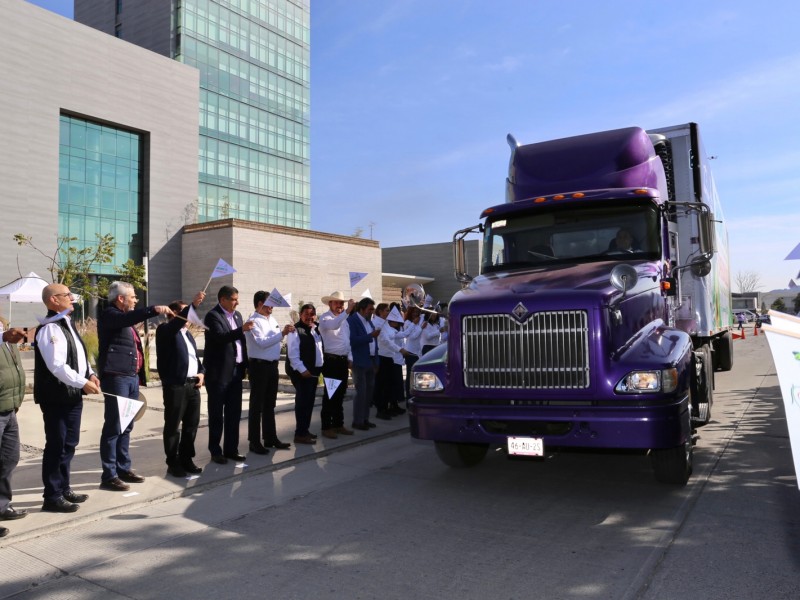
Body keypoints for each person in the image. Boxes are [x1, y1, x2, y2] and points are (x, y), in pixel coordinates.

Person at [97, 281, 172, 492]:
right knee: (114, 426)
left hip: (130, 378)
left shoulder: (124, 318)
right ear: (120, 298)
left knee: (127, 424)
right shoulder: (110, 315)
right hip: (116, 378)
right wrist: (153, 309)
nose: (136, 300)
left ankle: (123, 468)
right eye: (133, 297)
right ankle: (109, 474)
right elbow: (128, 318)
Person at [34, 283, 101, 513]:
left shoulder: (67, 324)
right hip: (56, 397)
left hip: (71, 395)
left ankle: (64, 488)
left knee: (69, 444)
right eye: (67, 295)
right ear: (54, 300)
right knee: (56, 445)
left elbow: (79, 355)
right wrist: (83, 383)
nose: (72, 298)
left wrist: (91, 373)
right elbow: (56, 366)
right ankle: (51, 496)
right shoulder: (50, 329)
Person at [155, 292, 206, 478]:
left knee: (191, 425)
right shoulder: (165, 330)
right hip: (176, 386)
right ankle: (173, 461)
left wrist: (201, 373)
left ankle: (187, 458)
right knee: (173, 425)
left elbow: (195, 360)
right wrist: (193, 305)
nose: (189, 315)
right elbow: (176, 324)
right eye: (185, 311)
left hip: (193, 386)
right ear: (173, 313)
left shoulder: (188, 335)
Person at [204, 285, 255, 464]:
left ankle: (231, 449)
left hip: (236, 371)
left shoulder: (238, 316)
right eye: (234, 299)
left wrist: (245, 365)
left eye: (237, 299)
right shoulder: (212, 316)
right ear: (223, 299)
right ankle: (215, 450)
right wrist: (242, 330)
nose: (237, 302)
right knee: (217, 414)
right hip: (219, 374)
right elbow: (220, 336)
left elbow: (241, 343)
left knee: (234, 413)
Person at [245, 290, 295, 454]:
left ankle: (270, 437)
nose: (272, 306)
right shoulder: (253, 321)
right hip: (259, 366)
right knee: (256, 405)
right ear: (260, 303)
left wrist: (285, 334)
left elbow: (275, 341)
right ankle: (254, 441)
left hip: (272, 366)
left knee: (269, 404)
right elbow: (262, 343)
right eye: (269, 303)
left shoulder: (272, 319)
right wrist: (282, 334)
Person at [0, 323, 27, 535]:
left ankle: (2, 506)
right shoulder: (5, 334)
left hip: (9, 408)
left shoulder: (6, 329)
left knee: (9, 458)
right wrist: (4, 336)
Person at [317, 291, 354, 439]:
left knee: (340, 394)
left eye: (341, 303)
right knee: (331, 394)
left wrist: (350, 358)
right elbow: (333, 324)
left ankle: (338, 424)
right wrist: (348, 311)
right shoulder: (325, 318)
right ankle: (326, 426)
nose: (340, 305)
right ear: (330, 304)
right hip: (331, 362)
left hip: (342, 361)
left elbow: (347, 341)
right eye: (336, 302)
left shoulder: (344, 320)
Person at [285, 303, 323, 444]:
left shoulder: (316, 329)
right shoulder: (296, 330)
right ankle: (299, 433)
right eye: (306, 314)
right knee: (302, 403)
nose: (309, 317)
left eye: (312, 314)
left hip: (313, 372)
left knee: (309, 402)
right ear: (301, 315)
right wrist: (303, 370)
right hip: (302, 374)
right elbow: (293, 355)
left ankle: (305, 430)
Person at [349, 297, 379, 430]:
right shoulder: (352, 321)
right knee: (361, 392)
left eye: (373, 309)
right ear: (362, 309)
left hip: (371, 361)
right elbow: (352, 341)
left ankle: (365, 419)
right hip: (359, 361)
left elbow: (375, 343)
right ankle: (358, 421)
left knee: (369, 393)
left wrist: (376, 361)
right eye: (370, 309)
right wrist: (370, 336)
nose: (372, 312)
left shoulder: (369, 322)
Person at [375, 306, 410, 420]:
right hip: (382, 357)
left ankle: (388, 407)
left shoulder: (385, 323)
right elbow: (385, 340)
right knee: (382, 385)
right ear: (380, 311)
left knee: (389, 384)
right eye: (386, 310)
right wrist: (399, 349)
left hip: (389, 357)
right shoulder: (377, 323)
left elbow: (393, 334)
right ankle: (381, 409)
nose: (388, 312)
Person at [401, 307, 422, 401]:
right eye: (414, 312)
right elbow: (412, 336)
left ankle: (416, 396)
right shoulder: (408, 323)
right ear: (410, 313)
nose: (415, 314)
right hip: (410, 352)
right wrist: (420, 327)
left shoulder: (417, 323)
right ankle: (409, 398)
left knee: (417, 376)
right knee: (410, 377)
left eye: (417, 312)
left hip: (417, 352)